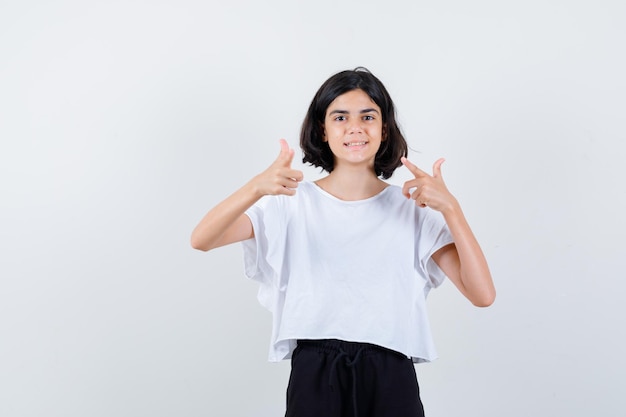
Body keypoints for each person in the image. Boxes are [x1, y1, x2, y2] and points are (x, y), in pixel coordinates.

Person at [191, 67, 495, 417]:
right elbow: (202, 239)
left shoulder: (413, 209)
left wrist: (452, 209)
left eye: (368, 116)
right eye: (340, 117)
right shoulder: (289, 203)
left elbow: (482, 294)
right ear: (323, 128)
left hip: (391, 370)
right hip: (315, 371)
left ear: (384, 128)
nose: (355, 127)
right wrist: (256, 187)